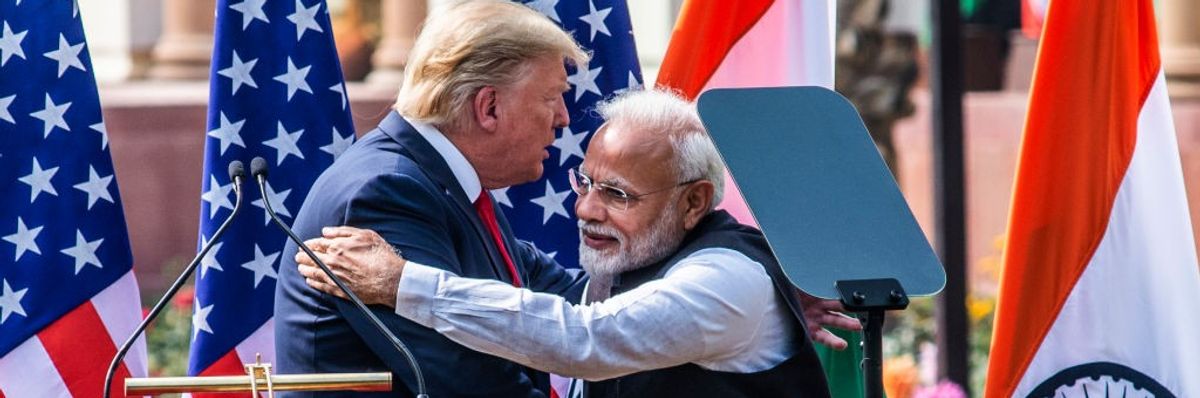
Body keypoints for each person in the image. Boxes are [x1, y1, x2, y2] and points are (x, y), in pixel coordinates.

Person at [297, 90, 863, 398]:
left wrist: (401, 283)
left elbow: (585, 339)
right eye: (585, 183)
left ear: (694, 202)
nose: (587, 209)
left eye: (617, 194)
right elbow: (529, 277)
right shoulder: (641, 261)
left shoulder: (726, 281)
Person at [273, 2, 591, 396]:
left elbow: (573, 300)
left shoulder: (443, 182)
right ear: (489, 107)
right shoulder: (386, 192)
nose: (563, 118)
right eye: (552, 97)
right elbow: (467, 380)